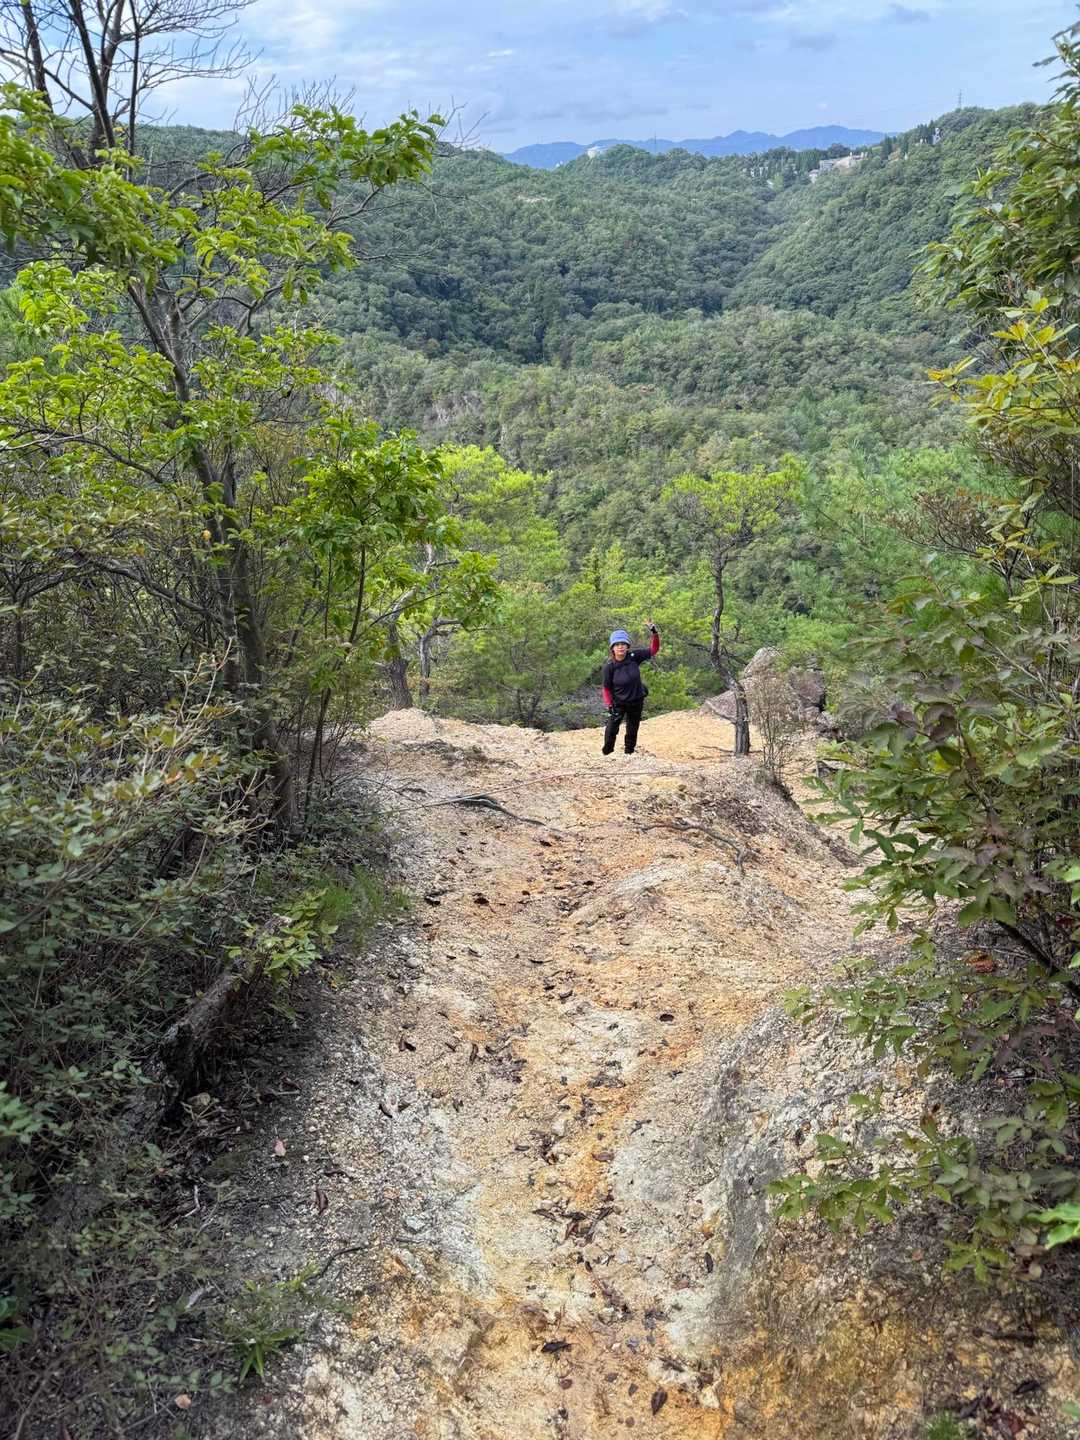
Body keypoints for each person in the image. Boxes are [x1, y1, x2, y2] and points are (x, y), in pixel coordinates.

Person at [601, 620, 660, 756]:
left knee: (632, 729)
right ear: (612, 648)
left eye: (623, 644)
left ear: (627, 646)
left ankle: (629, 753)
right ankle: (607, 752)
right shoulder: (609, 667)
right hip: (618, 703)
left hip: (636, 701)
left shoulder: (634, 657)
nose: (620, 647)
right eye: (617, 645)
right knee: (611, 729)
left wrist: (654, 632)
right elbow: (606, 688)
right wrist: (609, 705)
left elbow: (654, 649)